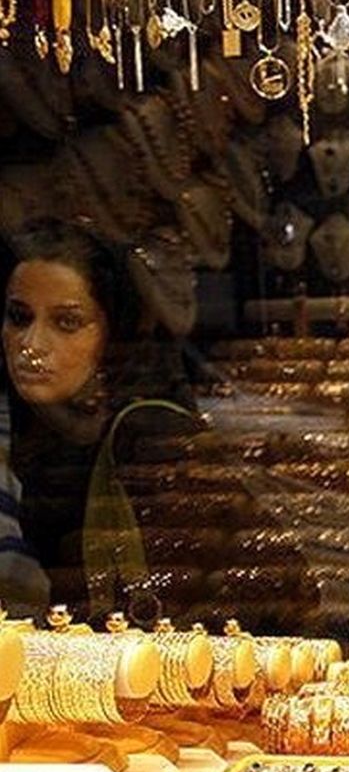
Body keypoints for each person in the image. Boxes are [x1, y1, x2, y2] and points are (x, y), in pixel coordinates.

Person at [2, 223, 197, 620]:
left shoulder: (151, 437)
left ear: (112, 333)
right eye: (19, 318)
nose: (32, 344)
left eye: (66, 323)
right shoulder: (18, 426)